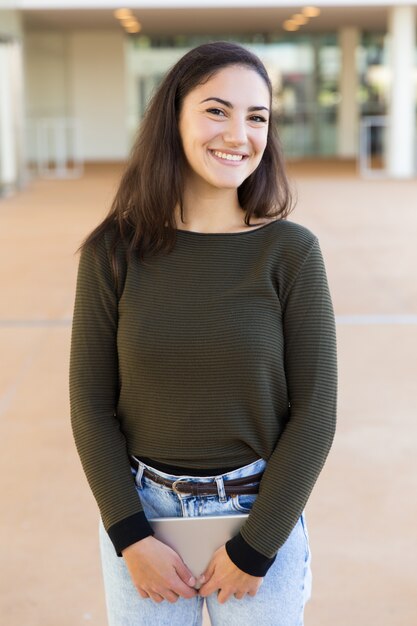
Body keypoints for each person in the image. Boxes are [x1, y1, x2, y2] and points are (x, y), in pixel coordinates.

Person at [69, 41, 337, 626]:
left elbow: (316, 412)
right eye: (217, 110)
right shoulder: (113, 252)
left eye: (257, 116)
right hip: (142, 520)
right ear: (173, 118)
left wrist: (256, 545)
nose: (238, 133)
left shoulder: (291, 253)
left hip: (259, 515)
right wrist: (130, 537)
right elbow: (90, 406)